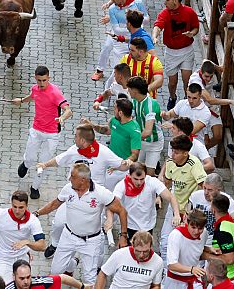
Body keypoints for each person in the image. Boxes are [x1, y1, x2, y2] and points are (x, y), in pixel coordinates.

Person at [34, 163, 129, 287]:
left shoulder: (101, 193)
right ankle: (72, 264)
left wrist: (123, 235)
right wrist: (37, 213)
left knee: (89, 278)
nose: (69, 179)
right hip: (68, 235)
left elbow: (122, 211)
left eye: (72, 176)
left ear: (83, 180)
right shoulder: (68, 189)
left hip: (91, 241)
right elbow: (54, 204)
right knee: (55, 272)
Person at [12, 66, 73, 199]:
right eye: (39, 80)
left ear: (48, 78)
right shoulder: (35, 88)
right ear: (35, 78)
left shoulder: (55, 93)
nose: (41, 84)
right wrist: (21, 101)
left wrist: (62, 117)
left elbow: (68, 110)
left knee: (44, 162)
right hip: (36, 129)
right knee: (30, 156)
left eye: (44, 80)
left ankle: (35, 187)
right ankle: (26, 164)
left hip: (52, 134)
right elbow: (32, 96)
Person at [0, 191, 47, 283]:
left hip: (21, 257)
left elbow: (42, 246)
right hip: (3, 257)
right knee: (3, 285)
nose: (17, 211)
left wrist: (27, 242)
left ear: (27, 206)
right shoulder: (0, 214)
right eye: (14, 206)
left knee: (22, 284)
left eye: (21, 207)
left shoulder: (33, 221)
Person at [159, 135, 207, 260]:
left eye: (176, 152)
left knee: (187, 244)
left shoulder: (194, 164)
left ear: (186, 153)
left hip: (189, 212)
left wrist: (194, 210)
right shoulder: (170, 163)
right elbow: (168, 182)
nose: (173, 155)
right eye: (172, 151)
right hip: (174, 207)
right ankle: (165, 270)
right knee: (164, 241)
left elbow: (203, 186)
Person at [152, 0, 199, 109]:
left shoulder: (189, 12)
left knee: (186, 79)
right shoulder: (165, 13)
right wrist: (155, 36)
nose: (165, 2)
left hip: (187, 50)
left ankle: (186, 101)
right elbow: (158, 26)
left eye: (167, 0)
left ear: (175, 1)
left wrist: (192, 33)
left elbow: (195, 28)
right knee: (172, 82)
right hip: (171, 52)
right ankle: (172, 97)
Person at [92, 0, 149, 81]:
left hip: (135, 36)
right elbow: (117, 29)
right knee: (107, 49)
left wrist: (136, 20)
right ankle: (99, 70)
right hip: (118, 38)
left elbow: (147, 18)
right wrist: (134, 26)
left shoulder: (138, 3)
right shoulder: (112, 9)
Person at [83, 98, 141, 190]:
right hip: (109, 165)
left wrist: (125, 162)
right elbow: (106, 130)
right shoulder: (114, 120)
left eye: (115, 109)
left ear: (121, 113)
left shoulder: (134, 130)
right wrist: (92, 125)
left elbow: (135, 154)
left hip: (121, 170)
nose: (113, 111)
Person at [112, 162, 178, 242]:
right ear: (129, 175)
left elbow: (171, 197)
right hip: (129, 225)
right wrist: (110, 219)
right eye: (136, 179)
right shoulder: (121, 185)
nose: (139, 183)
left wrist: (176, 214)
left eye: (142, 179)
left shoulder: (152, 182)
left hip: (148, 226)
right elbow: (113, 203)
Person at [95, 231, 164, 289]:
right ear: (132, 245)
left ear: (151, 247)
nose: (141, 255)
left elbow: (156, 286)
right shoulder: (120, 254)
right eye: (138, 251)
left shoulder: (158, 261)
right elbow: (103, 274)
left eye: (145, 251)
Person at [162, 209, 213, 288]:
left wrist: (209, 249)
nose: (196, 232)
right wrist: (191, 269)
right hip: (175, 281)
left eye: (200, 229)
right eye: (193, 227)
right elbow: (171, 265)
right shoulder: (176, 235)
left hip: (194, 280)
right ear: (187, 223)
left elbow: (194, 249)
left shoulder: (204, 233)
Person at [186, 173, 234, 239]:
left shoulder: (226, 200)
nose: (206, 192)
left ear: (219, 189)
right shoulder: (195, 196)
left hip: (216, 239)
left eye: (210, 190)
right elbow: (187, 216)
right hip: (196, 237)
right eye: (204, 188)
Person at [127, 76, 163, 175]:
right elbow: (130, 118)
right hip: (142, 142)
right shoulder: (135, 100)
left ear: (134, 91)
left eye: (129, 89)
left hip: (153, 144)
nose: (128, 91)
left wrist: (131, 138)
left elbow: (148, 131)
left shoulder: (150, 106)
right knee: (136, 170)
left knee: (148, 175)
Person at [210, 195, 234, 287]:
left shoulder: (223, 230)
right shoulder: (232, 223)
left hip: (231, 279)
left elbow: (230, 259)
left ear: (213, 210)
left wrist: (206, 256)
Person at [4, 259, 85, 288]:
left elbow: (62, 278)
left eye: (28, 277)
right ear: (14, 277)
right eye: (22, 278)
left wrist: (82, 286)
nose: (26, 281)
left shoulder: (39, 282)